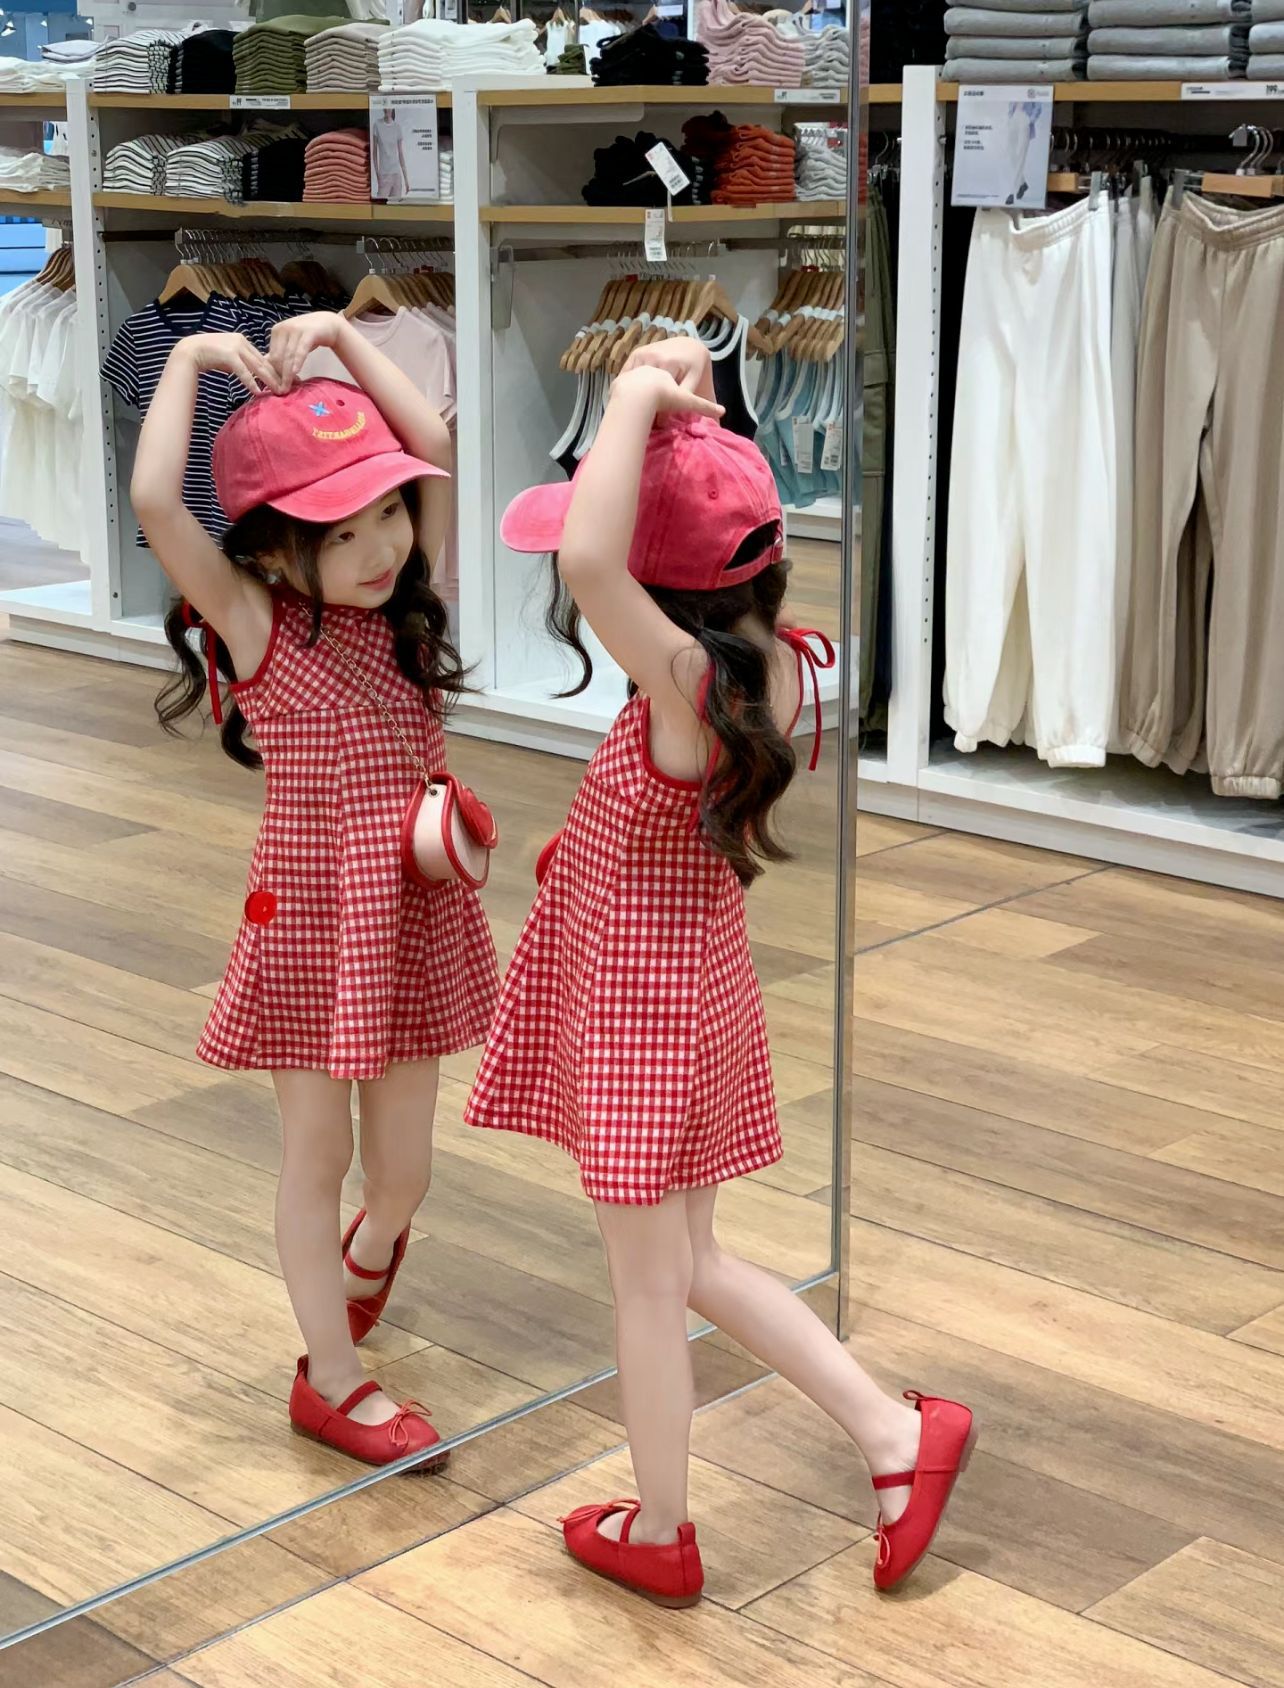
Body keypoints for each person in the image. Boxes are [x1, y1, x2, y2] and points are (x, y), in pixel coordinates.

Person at [466, 335, 975, 1607]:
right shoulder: (778, 669)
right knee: (689, 1262)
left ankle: (667, 1524)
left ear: (662, 597)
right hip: (691, 994)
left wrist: (632, 397)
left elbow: (586, 560)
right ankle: (894, 1436)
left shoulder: (685, 682)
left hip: (643, 1013)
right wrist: (680, 390)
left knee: (648, 1284)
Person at [133, 313, 499, 1467]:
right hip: (305, 924)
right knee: (316, 1156)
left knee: (404, 1173)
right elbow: (154, 502)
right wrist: (188, 359)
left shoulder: (407, 613)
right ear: (276, 552)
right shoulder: (258, 626)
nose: (383, 544)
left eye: (387, 510)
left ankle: (373, 1244)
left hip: (412, 916)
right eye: (343, 531)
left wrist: (344, 333)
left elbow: (434, 438)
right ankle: (330, 1379)